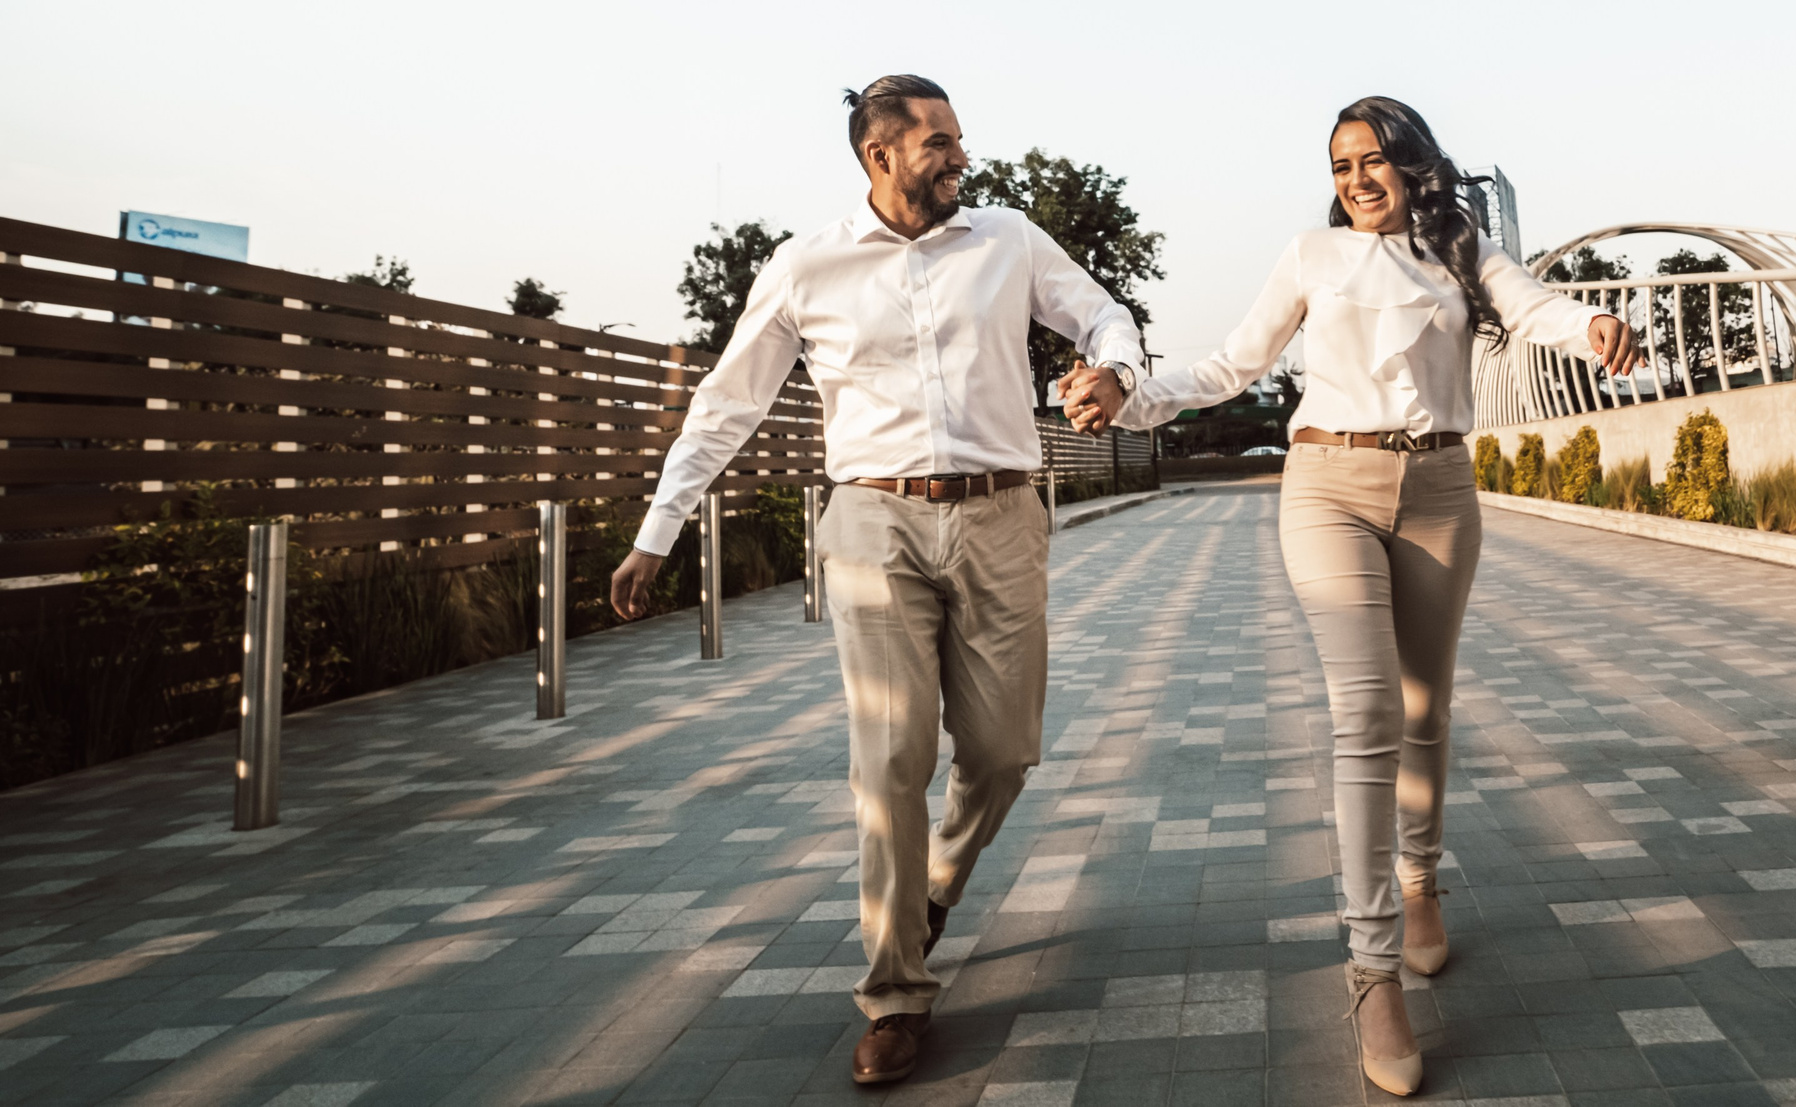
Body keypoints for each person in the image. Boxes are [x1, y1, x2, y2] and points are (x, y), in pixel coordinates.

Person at [1062, 96, 1634, 1097]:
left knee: (1425, 705)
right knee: (1366, 710)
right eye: (1340, 165)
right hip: (1328, 484)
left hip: (1440, 491)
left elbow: (1534, 306)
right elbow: (1229, 364)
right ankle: (1372, 970)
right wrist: (1128, 391)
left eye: (1373, 159)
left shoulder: (1462, 254)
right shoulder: (1311, 256)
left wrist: (1590, 324)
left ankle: (1420, 882)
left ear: (1414, 165)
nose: (1357, 179)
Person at [610, 75, 1146, 1089]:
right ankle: (895, 991)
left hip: (1001, 514)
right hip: (872, 521)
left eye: (959, 139)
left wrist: (1113, 370)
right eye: (939, 142)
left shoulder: (1008, 239)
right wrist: (657, 531)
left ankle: (935, 883)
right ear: (880, 154)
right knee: (891, 757)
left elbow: (1103, 316)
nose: (960, 158)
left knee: (1003, 752)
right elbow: (727, 403)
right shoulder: (806, 265)